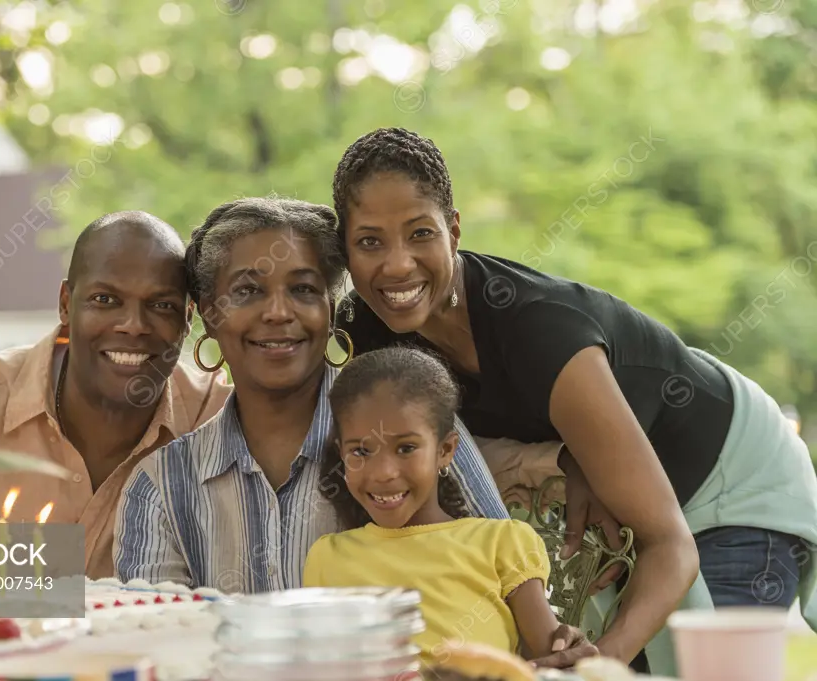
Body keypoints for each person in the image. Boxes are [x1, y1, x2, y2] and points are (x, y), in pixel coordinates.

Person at [330, 127, 817, 666]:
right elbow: (433, 447)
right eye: (370, 241)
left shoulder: (540, 331)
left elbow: (671, 546)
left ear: (454, 230)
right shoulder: (368, 331)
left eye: (420, 233)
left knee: (710, 670)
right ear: (345, 253)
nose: (397, 265)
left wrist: (593, 670)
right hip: (633, 509)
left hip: (729, 481)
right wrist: (566, 457)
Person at [113, 197, 513, 592]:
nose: (278, 313)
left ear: (331, 306)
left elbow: (504, 574)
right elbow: (155, 640)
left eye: (303, 289)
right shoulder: (161, 486)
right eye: (248, 291)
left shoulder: (415, 423)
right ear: (208, 316)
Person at [0, 211, 231, 578]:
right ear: (65, 304)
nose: (133, 325)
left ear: (187, 318)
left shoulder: (217, 418)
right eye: (105, 299)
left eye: (161, 305)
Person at [303, 347, 598, 672]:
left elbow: (553, 659)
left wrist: (570, 654)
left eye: (406, 448)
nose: (384, 471)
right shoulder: (327, 557)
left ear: (445, 450)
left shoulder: (501, 541)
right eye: (360, 451)